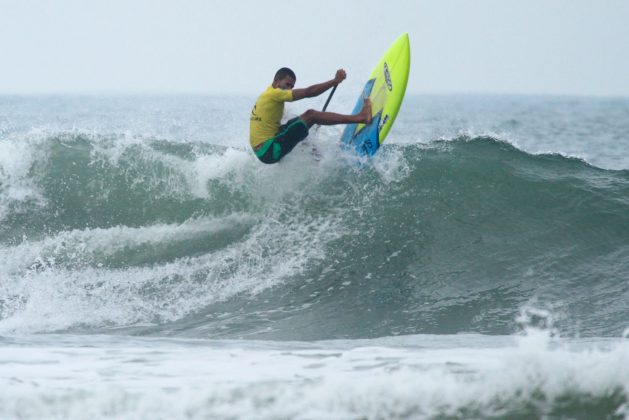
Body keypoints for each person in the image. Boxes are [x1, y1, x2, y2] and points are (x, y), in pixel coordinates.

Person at [250, 67, 372, 164]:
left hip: (265, 150)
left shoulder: (266, 95)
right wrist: (335, 81)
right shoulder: (275, 94)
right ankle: (361, 117)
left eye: (291, 87)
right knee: (311, 115)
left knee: (298, 123)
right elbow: (309, 92)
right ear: (276, 81)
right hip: (269, 150)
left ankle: (318, 158)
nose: (289, 89)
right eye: (287, 84)